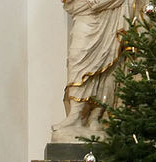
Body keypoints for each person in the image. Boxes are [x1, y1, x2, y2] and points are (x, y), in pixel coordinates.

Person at [51, 0, 134, 143]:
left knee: (110, 64)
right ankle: (75, 115)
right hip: (86, 11)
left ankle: (96, 117)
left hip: (113, 10)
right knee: (77, 60)